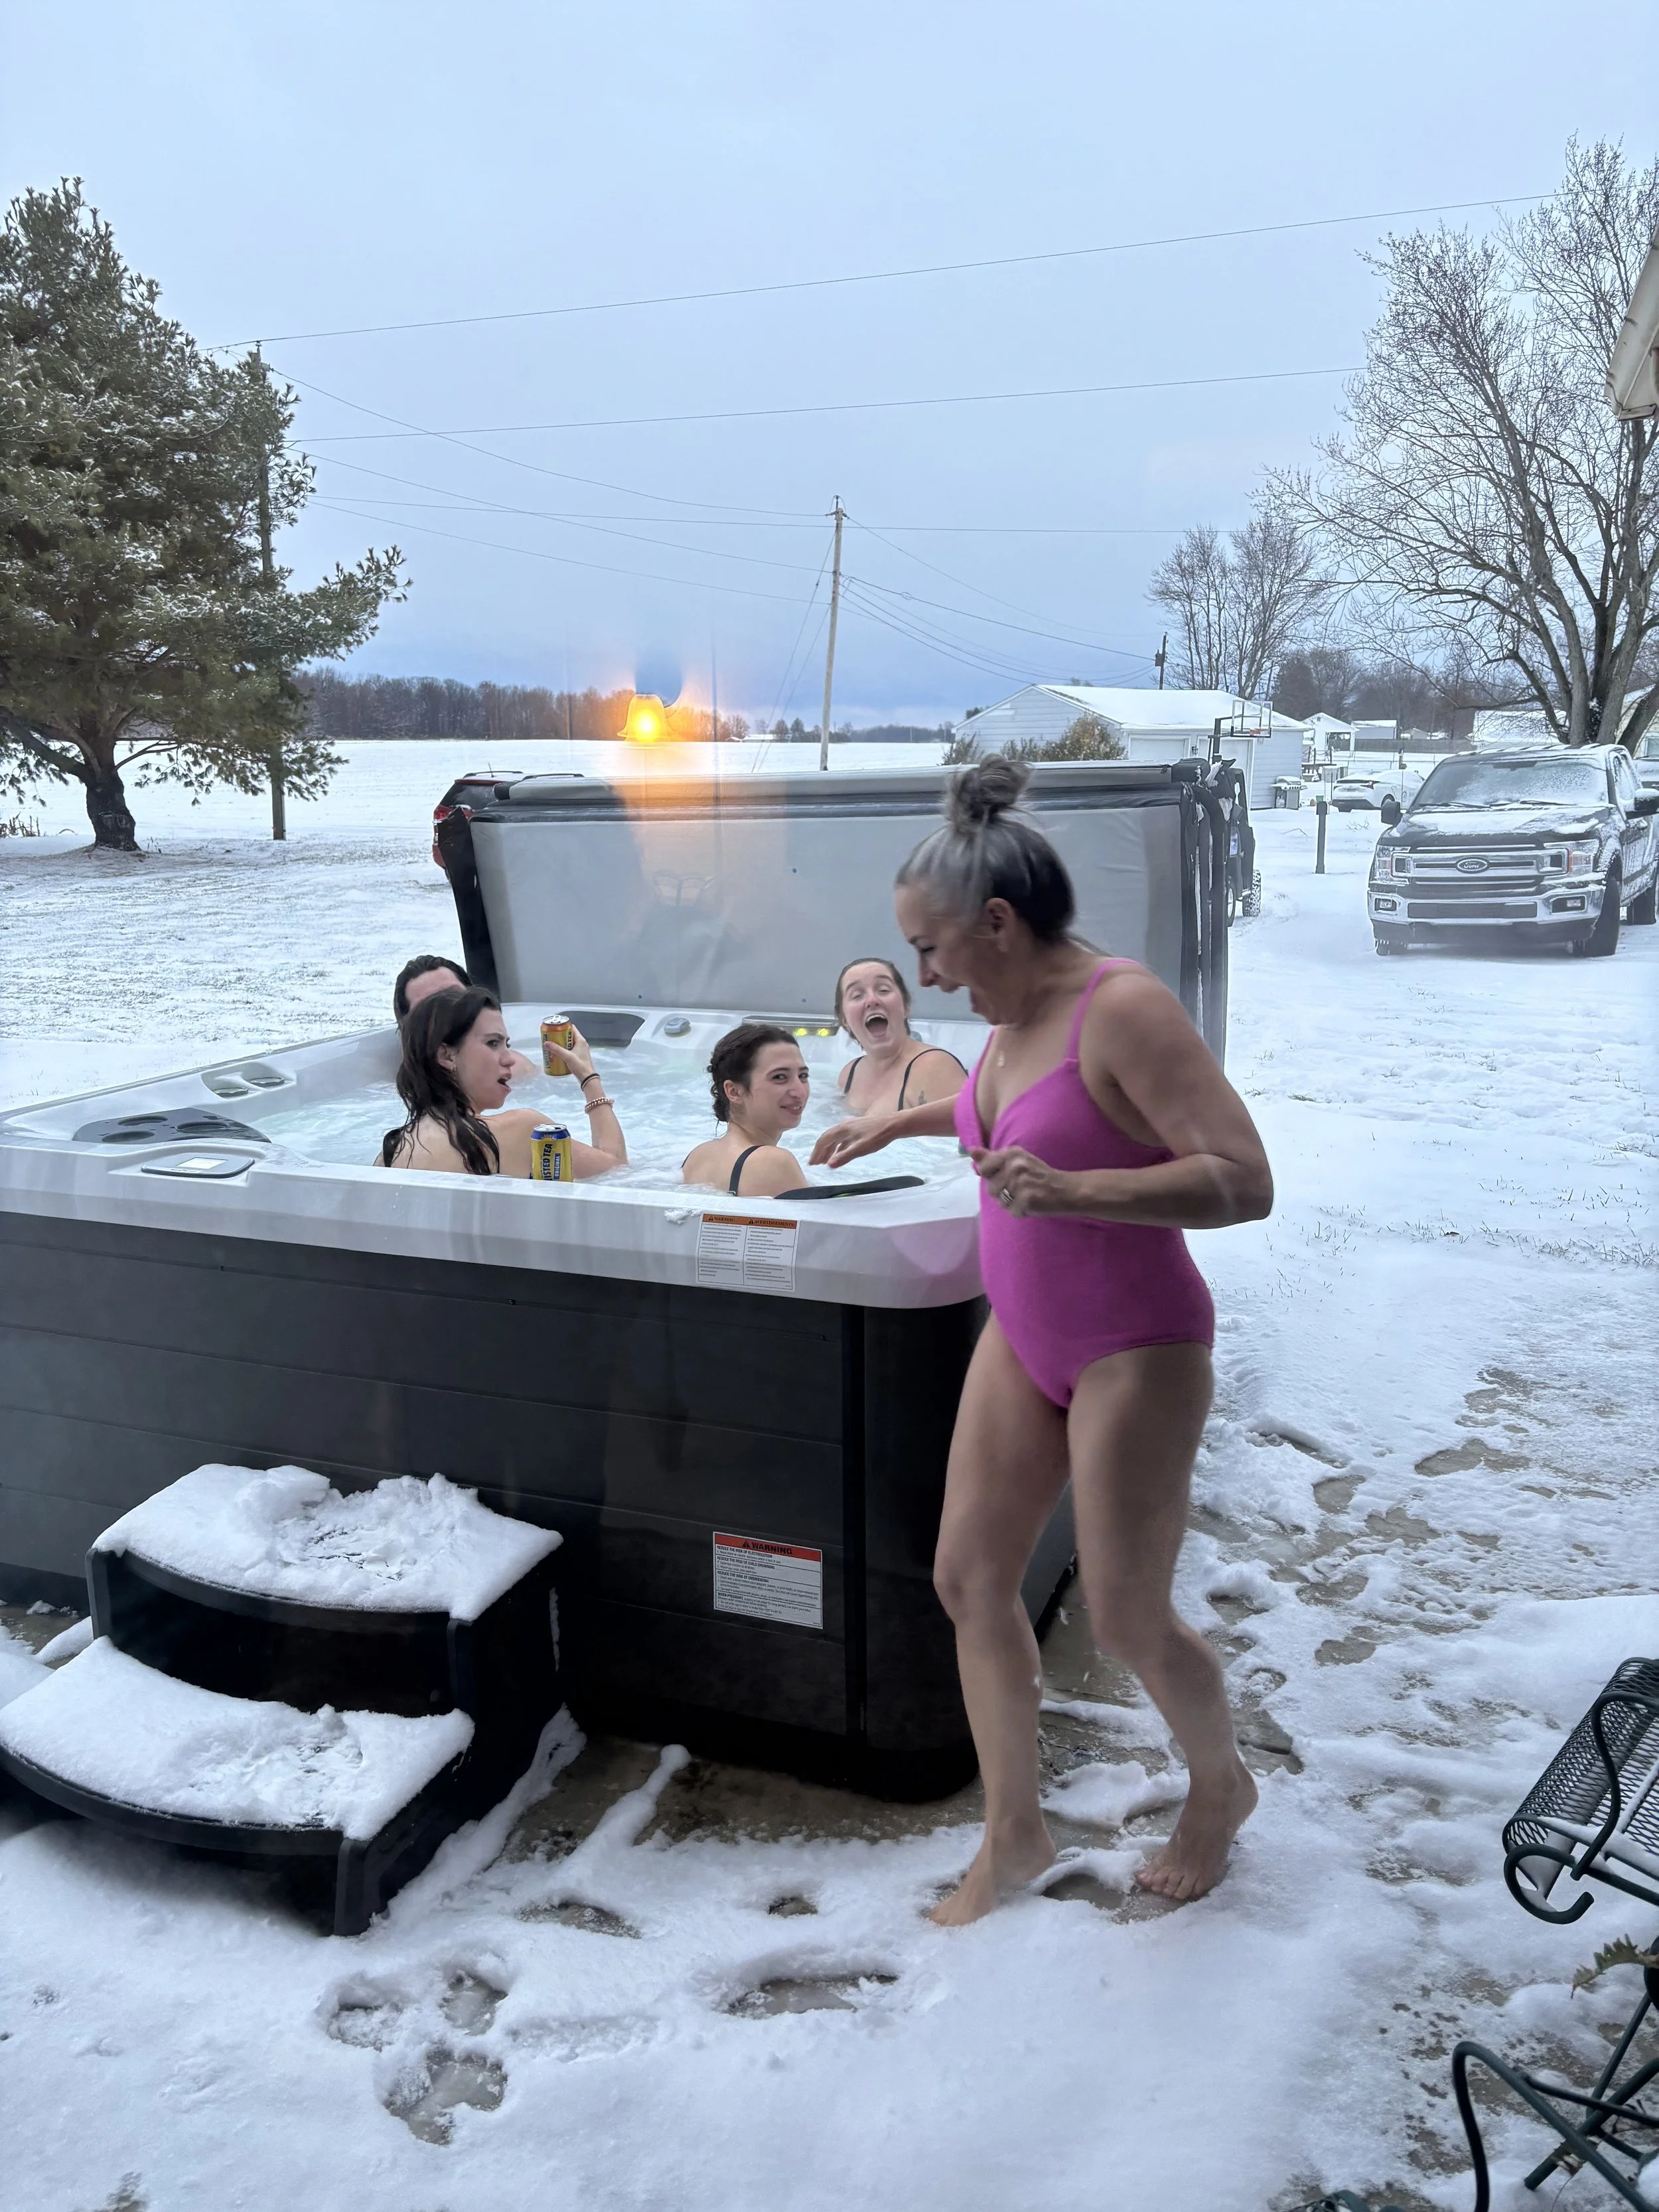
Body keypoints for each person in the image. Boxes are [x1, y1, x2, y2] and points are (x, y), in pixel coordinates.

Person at [812, 757, 1273, 1923]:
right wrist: (897, 1124)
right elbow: (1013, 1113)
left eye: (931, 949)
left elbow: (1244, 1179)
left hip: (1137, 1344)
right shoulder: (1009, 1017)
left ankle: (1221, 1786)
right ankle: (1013, 1832)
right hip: (1025, 1335)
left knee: (1124, 1614)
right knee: (968, 1577)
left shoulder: (1124, 1007)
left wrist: (1077, 1193)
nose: (924, 975)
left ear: (999, 924)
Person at [379, 986, 626, 1177]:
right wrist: (589, 1078)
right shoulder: (525, 1132)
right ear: (447, 1055)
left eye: (506, 1044)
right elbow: (616, 1169)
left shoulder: (390, 1154)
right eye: (492, 1043)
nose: (509, 1059)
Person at [682, 1023, 810, 1198]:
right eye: (779, 1077)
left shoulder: (698, 1156)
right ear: (734, 1092)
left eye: (803, 1076)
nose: (800, 1092)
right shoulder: (773, 1163)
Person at [832, 955, 966, 1119]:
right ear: (844, 1020)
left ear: (906, 1006)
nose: (872, 1000)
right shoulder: (848, 1075)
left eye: (883, 990)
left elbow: (969, 1130)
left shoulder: (935, 1068)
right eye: (857, 995)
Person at [393, 954, 540, 1084]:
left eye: (454, 996)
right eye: (427, 1008)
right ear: (405, 1031)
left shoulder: (516, 1070)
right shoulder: (394, 1092)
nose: (446, 1012)